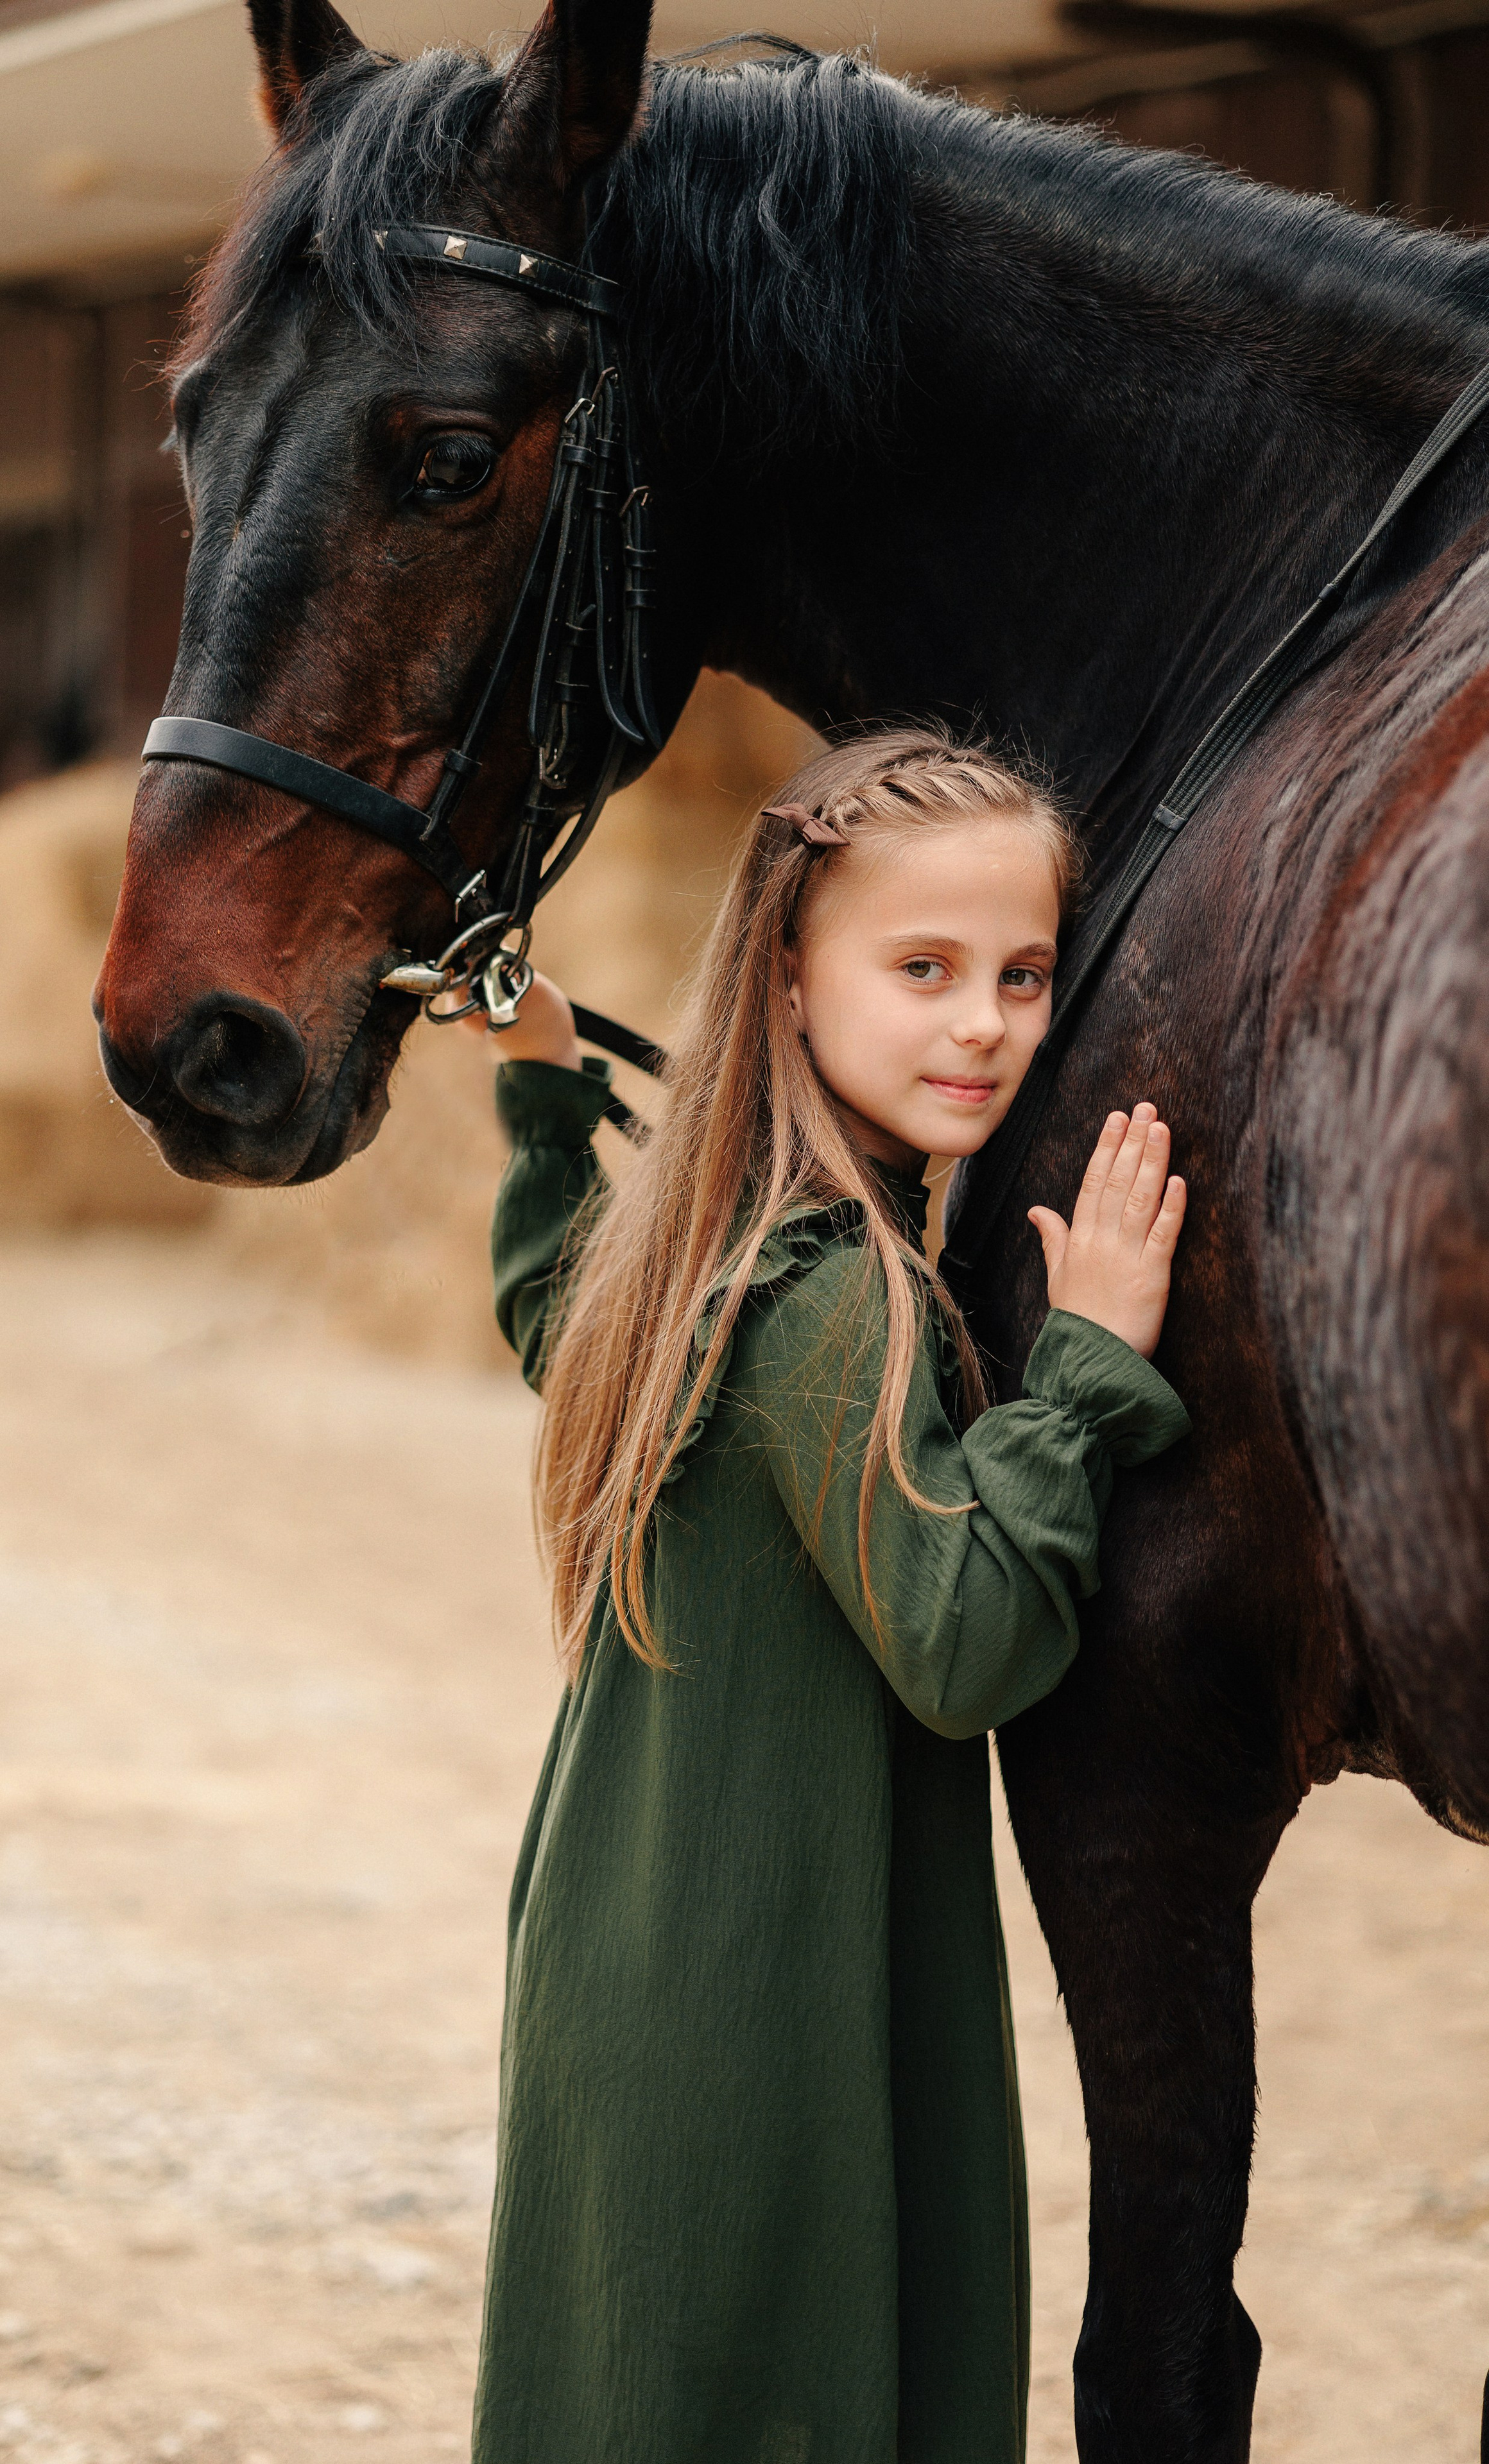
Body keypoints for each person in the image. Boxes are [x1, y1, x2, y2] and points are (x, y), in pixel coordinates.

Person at [452, 728, 1190, 2464]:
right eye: (921, 969)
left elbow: (554, 1315)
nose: (987, 1024)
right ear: (789, 977)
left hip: (628, 1970)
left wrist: (550, 1109)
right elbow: (963, 1645)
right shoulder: (839, 1289)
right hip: (770, 2012)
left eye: (1024, 974)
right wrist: (1083, 1376)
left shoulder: (691, 1250)